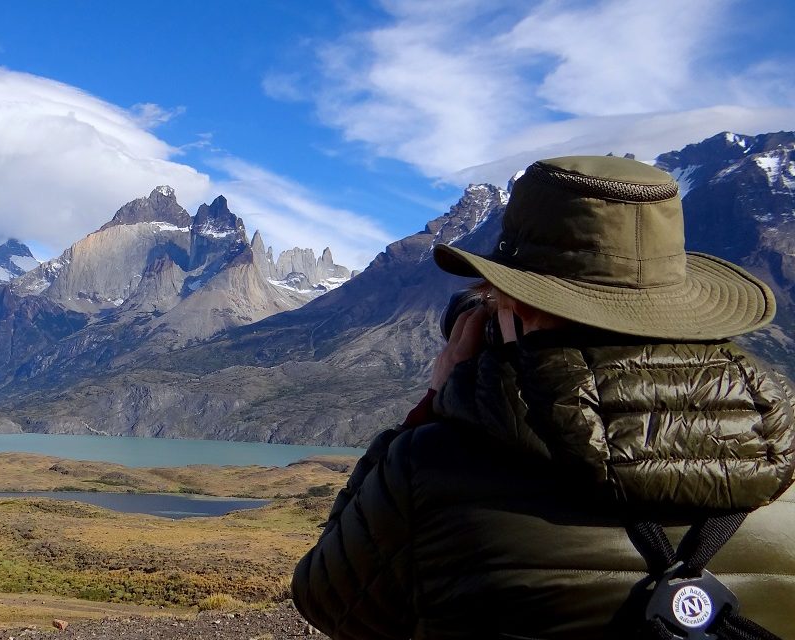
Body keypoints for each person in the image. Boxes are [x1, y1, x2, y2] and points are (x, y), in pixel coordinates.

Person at [290, 156, 795, 639]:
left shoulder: (433, 467)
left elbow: (331, 603)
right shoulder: (787, 467)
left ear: (519, 310)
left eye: (492, 300)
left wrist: (430, 407)